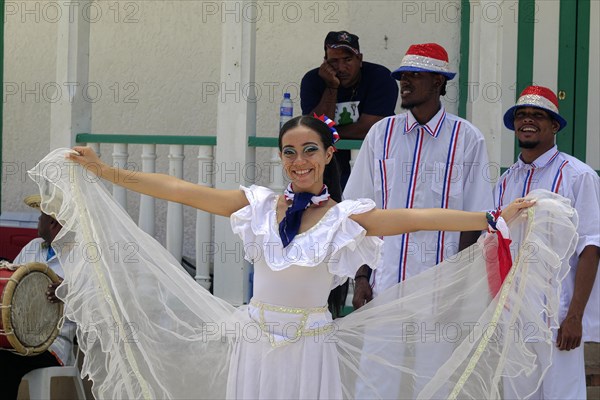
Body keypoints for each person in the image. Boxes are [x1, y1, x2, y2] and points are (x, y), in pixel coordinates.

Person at [29, 116, 559, 399]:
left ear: (330, 156)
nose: (299, 161)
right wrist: (106, 173)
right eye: (289, 151)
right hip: (256, 343)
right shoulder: (257, 205)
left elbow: (416, 216)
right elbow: (178, 188)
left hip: (309, 349)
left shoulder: (346, 217)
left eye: (310, 150)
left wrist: (492, 217)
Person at [344, 42, 494, 308]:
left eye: (415, 75)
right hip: (384, 286)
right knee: (379, 352)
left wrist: (457, 283)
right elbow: (359, 210)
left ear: (438, 81)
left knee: (437, 350)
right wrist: (362, 276)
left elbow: (474, 218)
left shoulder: (467, 139)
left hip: (439, 292)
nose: (405, 82)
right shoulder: (381, 134)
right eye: (403, 75)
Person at [495, 85, 600, 399]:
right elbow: (496, 245)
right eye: (521, 115)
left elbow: (591, 247)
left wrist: (575, 317)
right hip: (514, 319)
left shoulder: (578, 176)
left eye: (538, 115)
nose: (527, 121)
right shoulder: (506, 180)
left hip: (559, 320)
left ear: (554, 125)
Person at [0, 194, 76, 400]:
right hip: (18, 338)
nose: (38, 221)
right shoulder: (33, 246)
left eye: (41, 217)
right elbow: (11, 288)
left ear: (52, 222)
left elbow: (93, 307)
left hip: (52, 346)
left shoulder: (79, 258)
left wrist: (67, 293)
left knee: (4, 364)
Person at [300, 30, 398, 187]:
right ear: (325, 61)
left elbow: (370, 129)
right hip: (328, 167)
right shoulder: (313, 80)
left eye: (347, 60)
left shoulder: (380, 77)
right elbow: (314, 127)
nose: (341, 68)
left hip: (371, 166)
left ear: (359, 59)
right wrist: (331, 87)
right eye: (334, 61)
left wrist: (327, 133)